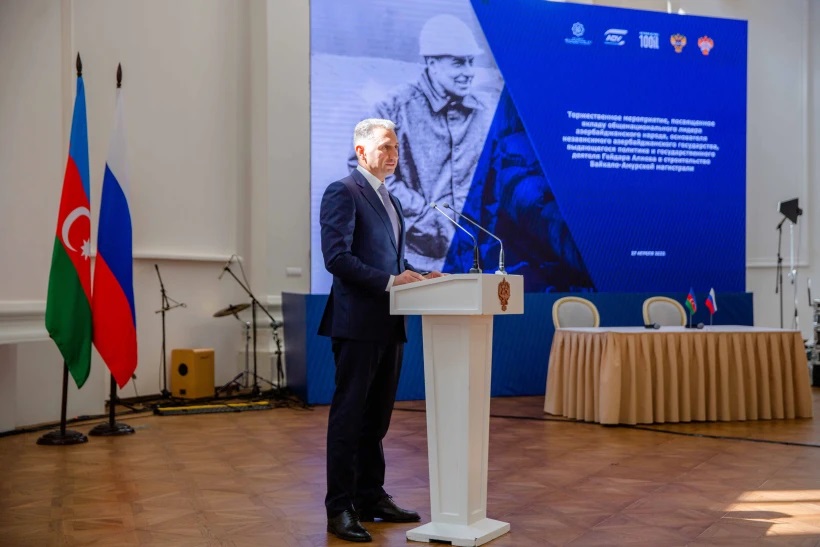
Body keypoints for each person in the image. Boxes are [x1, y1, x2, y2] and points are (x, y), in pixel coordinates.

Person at [319, 118, 443, 542]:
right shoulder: (343, 192)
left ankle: (371, 497)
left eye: (396, 148)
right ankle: (340, 509)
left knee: (376, 421)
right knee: (349, 418)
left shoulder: (392, 200)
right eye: (386, 147)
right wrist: (391, 281)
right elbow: (336, 258)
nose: (394, 155)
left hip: (390, 322)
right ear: (361, 151)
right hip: (357, 323)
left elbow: (390, 261)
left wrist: (415, 274)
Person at [351, 14, 494, 273]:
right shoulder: (392, 110)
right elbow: (366, 171)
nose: (468, 72)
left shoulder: (485, 113)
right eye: (458, 63)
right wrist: (425, 216)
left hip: (475, 261)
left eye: (471, 62)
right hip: (413, 263)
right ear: (432, 63)